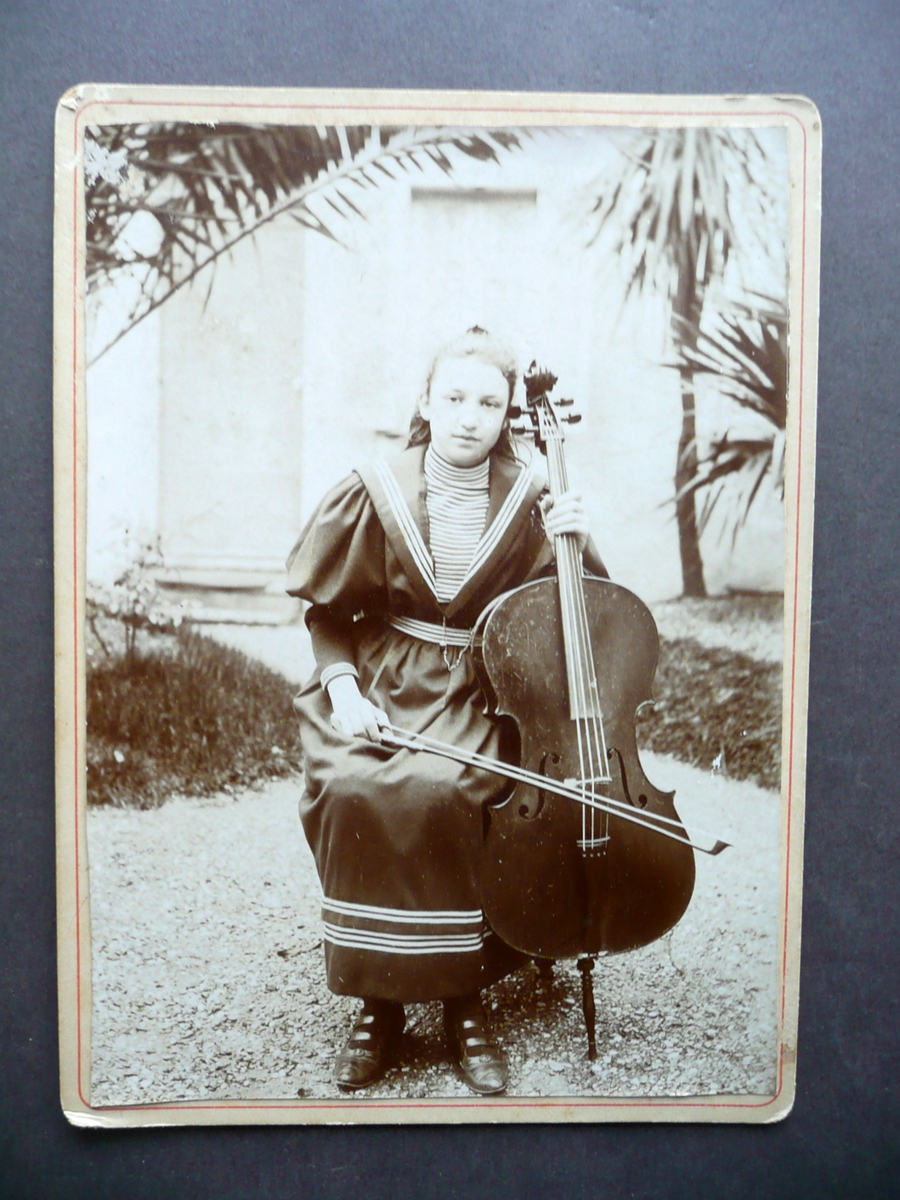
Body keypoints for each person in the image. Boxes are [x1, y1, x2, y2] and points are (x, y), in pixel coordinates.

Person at [286, 327, 607, 1094]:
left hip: (481, 689)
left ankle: (465, 1004)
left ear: (508, 416)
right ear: (427, 401)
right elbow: (327, 616)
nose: (469, 416)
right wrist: (342, 689)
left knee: (448, 792)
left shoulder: (535, 496)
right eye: (454, 397)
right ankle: (379, 1007)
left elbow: (586, 623)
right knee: (354, 786)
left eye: (489, 403)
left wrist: (575, 540)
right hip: (381, 682)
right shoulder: (373, 486)